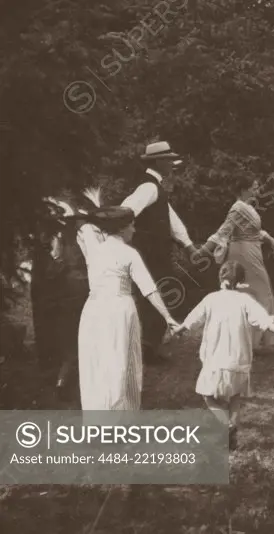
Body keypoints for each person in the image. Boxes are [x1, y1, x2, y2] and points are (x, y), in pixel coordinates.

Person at [171, 261, 274, 450]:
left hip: (215, 360)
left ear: (220, 278)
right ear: (241, 281)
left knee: (207, 395)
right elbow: (264, 321)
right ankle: (233, 427)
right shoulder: (246, 301)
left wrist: (178, 329)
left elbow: (191, 321)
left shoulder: (211, 299)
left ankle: (226, 425)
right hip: (239, 361)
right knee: (236, 395)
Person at [75, 205, 180, 410]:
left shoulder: (93, 251)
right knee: (121, 363)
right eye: (131, 226)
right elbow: (149, 289)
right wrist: (168, 317)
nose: (134, 230)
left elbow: (84, 230)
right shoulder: (129, 253)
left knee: (97, 363)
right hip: (118, 311)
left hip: (93, 311)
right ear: (121, 228)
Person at [120, 141, 199, 365]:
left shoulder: (157, 187)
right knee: (156, 295)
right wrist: (124, 236)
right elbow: (127, 210)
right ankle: (148, 349)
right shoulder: (149, 187)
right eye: (168, 160)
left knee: (163, 293)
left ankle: (150, 346)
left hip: (157, 253)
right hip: (149, 253)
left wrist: (189, 246)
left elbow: (172, 219)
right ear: (158, 162)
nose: (173, 164)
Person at [195, 176, 274, 347]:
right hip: (244, 253)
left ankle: (250, 340)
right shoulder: (238, 208)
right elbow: (223, 232)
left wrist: (272, 241)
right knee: (262, 294)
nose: (257, 190)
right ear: (244, 189)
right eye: (254, 187)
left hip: (251, 251)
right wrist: (202, 251)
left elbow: (256, 232)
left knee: (249, 293)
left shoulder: (247, 207)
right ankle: (254, 341)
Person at [33, 191, 93, 394]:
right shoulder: (64, 238)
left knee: (69, 336)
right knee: (71, 335)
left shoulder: (63, 238)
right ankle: (65, 378)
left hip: (69, 292)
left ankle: (64, 377)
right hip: (73, 292)